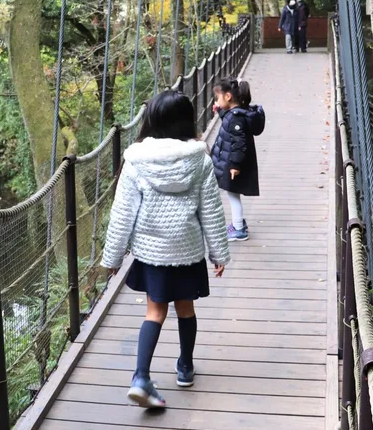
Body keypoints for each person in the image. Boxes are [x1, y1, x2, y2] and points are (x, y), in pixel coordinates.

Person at [102, 89, 230, 409]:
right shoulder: (199, 159)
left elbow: (122, 213)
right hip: (186, 250)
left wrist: (113, 257)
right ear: (187, 121)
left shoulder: (135, 160)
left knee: (154, 312)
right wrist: (219, 253)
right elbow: (211, 209)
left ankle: (141, 377)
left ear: (151, 121)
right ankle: (185, 367)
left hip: (151, 252)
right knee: (185, 309)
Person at [211, 78, 265, 242]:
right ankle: (238, 223)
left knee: (232, 194)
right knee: (232, 193)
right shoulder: (236, 114)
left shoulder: (235, 119)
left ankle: (239, 229)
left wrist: (234, 165)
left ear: (228, 97)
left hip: (234, 163)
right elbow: (229, 121)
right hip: (233, 161)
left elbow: (239, 143)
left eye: (218, 98)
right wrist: (219, 111)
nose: (217, 101)